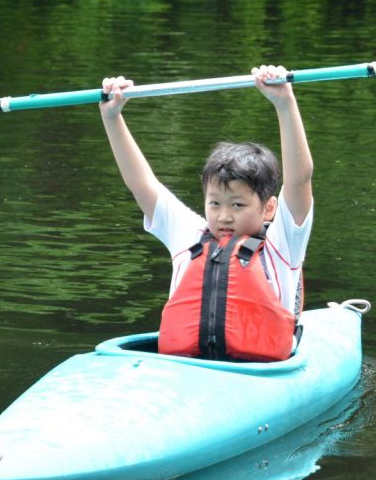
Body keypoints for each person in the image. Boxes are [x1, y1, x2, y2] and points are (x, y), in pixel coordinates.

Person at [99, 66, 314, 362]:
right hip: (184, 369)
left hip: (260, 373)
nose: (224, 217)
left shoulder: (282, 246)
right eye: (215, 204)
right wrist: (112, 118)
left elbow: (300, 179)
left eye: (237, 205)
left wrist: (284, 103)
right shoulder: (187, 237)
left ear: (269, 208)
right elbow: (141, 184)